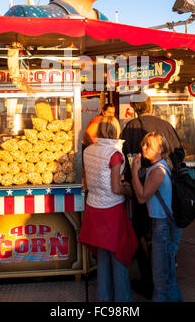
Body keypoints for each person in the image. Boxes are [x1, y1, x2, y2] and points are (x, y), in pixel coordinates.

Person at [121, 95, 185, 298]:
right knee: (161, 245)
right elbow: (180, 154)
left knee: (142, 234)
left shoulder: (130, 126)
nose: (144, 148)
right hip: (164, 196)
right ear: (150, 106)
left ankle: (151, 280)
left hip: (144, 194)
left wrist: (134, 175)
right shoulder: (165, 125)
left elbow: (123, 157)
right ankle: (162, 282)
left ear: (134, 108)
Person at [78, 116, 138, 302]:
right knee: (118, 256)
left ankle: (103, 299)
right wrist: (128, 191)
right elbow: (115, 187)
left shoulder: (88, 150)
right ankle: (123, 301)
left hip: (93, 207)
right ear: (116, 131)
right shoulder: (115, 154)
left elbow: (89, 180)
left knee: (102, 256)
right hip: (111, 209)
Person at [131, 132, 183, 302]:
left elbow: (142, 197)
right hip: (163, 224)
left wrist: (134, 172)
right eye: (144, 144)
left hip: (163, 226)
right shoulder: (159, 166)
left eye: (149, 145)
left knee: (161, 277)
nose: (144, 148)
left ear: (160, 149)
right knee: (167, 275)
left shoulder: (158, 171)